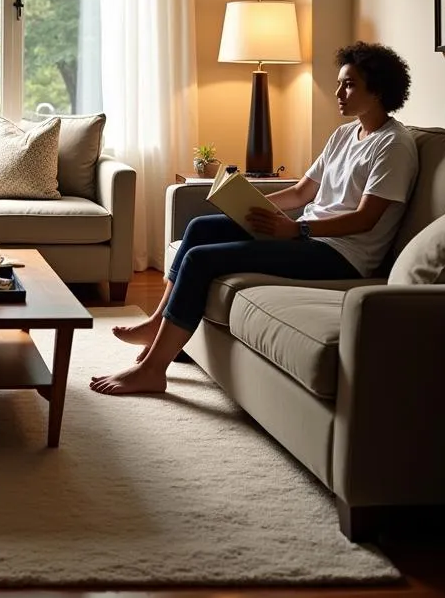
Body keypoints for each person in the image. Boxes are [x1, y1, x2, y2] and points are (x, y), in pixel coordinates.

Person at [90, 41, 418, 397]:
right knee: (199, 227)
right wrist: (248, 206)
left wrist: (298, 228)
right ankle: (157, 323)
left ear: (380, 90)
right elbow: (301, 192)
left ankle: (153, 370)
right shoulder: (343, 134)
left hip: (341, 254)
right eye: (340, 82)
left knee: (203, 260)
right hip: (305, 235)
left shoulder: (394, 146)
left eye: (349, 84)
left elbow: (365, 219)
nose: (338, 92)